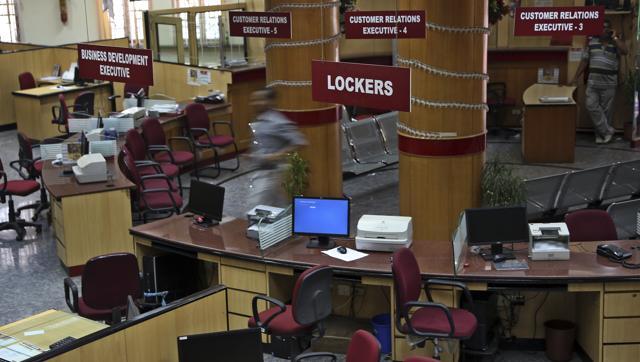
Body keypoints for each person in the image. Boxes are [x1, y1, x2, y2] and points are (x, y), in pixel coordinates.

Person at [569, 19, 628, 144]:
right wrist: (575, 77)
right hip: (593, 83)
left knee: (606, 111)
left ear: (610, 30)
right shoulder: (592, 42)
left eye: (607, 27)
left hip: (609, 84)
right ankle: (607, 131)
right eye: (602, 27)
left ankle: (601, 135)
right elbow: (584, 61)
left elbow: (625, 51)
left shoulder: (615, 43)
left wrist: (615, 37)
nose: (604, 30)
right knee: (591, 106)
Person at [246, 88, 307, 208]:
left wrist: (275, 156)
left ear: (270, 101)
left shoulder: (277, 121)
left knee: (255, 207)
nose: (255, 103)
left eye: (260, 100)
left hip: (272, 171)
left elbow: (300, 141)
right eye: (253, 100)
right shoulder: (259, 119)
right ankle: (283, 225)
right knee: (278, 205)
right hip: (260, 169)